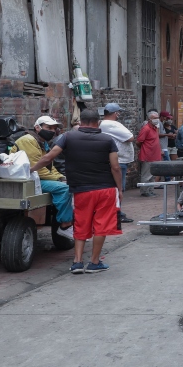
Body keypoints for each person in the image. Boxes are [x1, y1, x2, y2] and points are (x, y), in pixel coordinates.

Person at [31, 108, 121, 274]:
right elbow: (115, 167)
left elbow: (48, 157)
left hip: (81, 189)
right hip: (105, 188)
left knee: (81, 223)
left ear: (81, 122)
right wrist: (120, 189)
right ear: (98, 122)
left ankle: (77, 262)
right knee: (101, 225)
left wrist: (31, 169)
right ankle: (94, 263)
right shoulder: (108, 140)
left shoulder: (67, 137)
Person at [13, 116, 74, 239]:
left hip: (35, 177)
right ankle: (65, 224)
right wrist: (58, 180)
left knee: (67, 185)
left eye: (54, 128)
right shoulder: (28, 140)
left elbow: (49, 167)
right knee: (64, 189)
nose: (52, 131)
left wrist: (61, 177)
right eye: (48, 127)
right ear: (37, 127)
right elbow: (37, 168)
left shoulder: (42, 143)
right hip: (28, 178)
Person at [98, 103, 135, 223]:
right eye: (118, 112)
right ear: (115, 113)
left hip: (117, 159)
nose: (119, 114)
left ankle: (115, 211)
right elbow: (130, 137)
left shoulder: (104, 124)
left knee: (115, 187)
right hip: (119, 160)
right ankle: (116, 213)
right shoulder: (111, 124)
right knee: (119, 188)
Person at [136, 110, 162, 196]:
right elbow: (139, 142)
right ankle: (144, 191)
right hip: (148, 155)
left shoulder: (155, 128)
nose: (157, 120)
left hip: (155, 155)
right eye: (154, 118)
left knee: (153, 175)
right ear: (149, 119)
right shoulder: (146, 129)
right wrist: (145, 149)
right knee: (146, 175)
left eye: (157, 118)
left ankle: (150, 190)